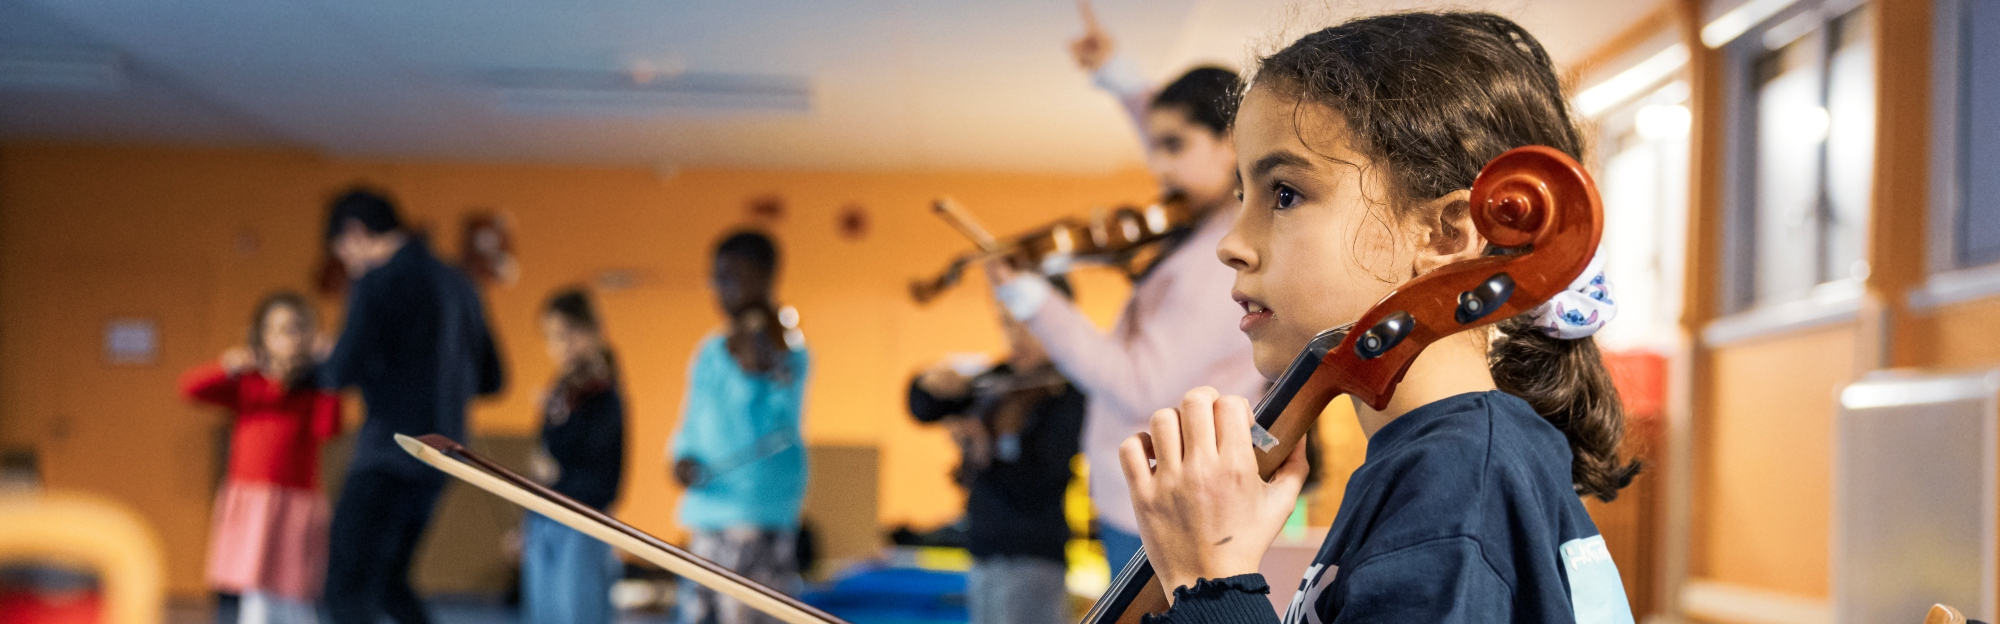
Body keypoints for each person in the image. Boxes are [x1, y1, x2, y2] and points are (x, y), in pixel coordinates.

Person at [1116, 12, 1641, 624]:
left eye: (1284, 193)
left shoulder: (1457, 480)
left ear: (1445, 233)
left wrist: (1213, 580)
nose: (1231, 244)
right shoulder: (1443, 461)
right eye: (1242, 197)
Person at [979, 4, 1264, 572]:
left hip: (1161, 515)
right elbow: (1186, 129)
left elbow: (1139, 385)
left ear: (1231, 141)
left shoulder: (1220, 258)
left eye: (1172, 148)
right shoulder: (1212, 218)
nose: (1158, 167)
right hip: (1150, 506)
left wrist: (1036, 303)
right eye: (1155, 147)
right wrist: (1122, 75)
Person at [317, 187, 506, 624]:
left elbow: (338, 372)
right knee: (388, 582)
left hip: (390, 451)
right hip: (444, 456)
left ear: (355, 232)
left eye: (344, 253)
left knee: (345, 585)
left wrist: (325, 355)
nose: (349, 264)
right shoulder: (461, 283)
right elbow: (493, 379)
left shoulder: (377, 281)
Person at [907, 282, 1087, 624]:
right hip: (985, 549)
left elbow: (1042, 481)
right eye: (1006, 322)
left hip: (1032, 555)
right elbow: (924, 408)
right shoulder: (999, 379)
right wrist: (929, 383)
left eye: (1028, 322)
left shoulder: (1069, 391)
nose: (1015, 335)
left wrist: (984, 450)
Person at [670, 230, 810, 624]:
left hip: (759, 515)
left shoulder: (787, 348)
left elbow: (780, 426)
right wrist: (681, 457)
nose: (722, 289)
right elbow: (691, 421)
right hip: (704, 514)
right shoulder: (710, 350)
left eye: (734, 278)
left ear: (766, 278)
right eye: (717, 278)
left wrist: (755, 375)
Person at [179, 292, 341, 624]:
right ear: (261, 336)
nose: (286, 339)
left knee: (293, 585)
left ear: (309, 336)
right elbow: (190, 388)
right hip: (251, 500)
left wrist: (331, 373)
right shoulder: (248, 381)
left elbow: (329, 427)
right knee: (254, 588)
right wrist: (229, 366)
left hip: (296, 499)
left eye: (295, 330)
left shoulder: (314, 386)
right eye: (277, 330)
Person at [521, 287, 627, 624]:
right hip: (545, 519)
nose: (562, 346)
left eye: (570, 334)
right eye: (553, 337)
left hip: (582, 520)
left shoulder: (605, 396)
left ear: (594, 331)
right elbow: (544, 456)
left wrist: (558, 473)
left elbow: (602, 477)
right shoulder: (561, 390)